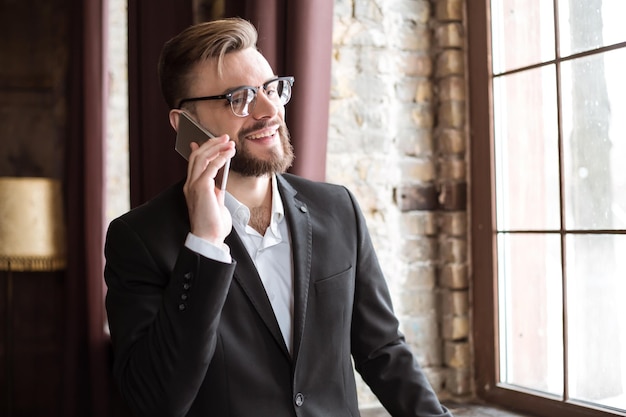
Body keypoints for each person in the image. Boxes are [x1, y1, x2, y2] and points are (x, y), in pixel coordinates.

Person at [104, 17, 453, 417]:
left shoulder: (338, 208)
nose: (270, 110)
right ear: (184, 124)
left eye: (272, 89)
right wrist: (204, 245)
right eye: (240, 97)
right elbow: (155, 402)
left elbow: (383, 350)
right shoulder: (139, 239)